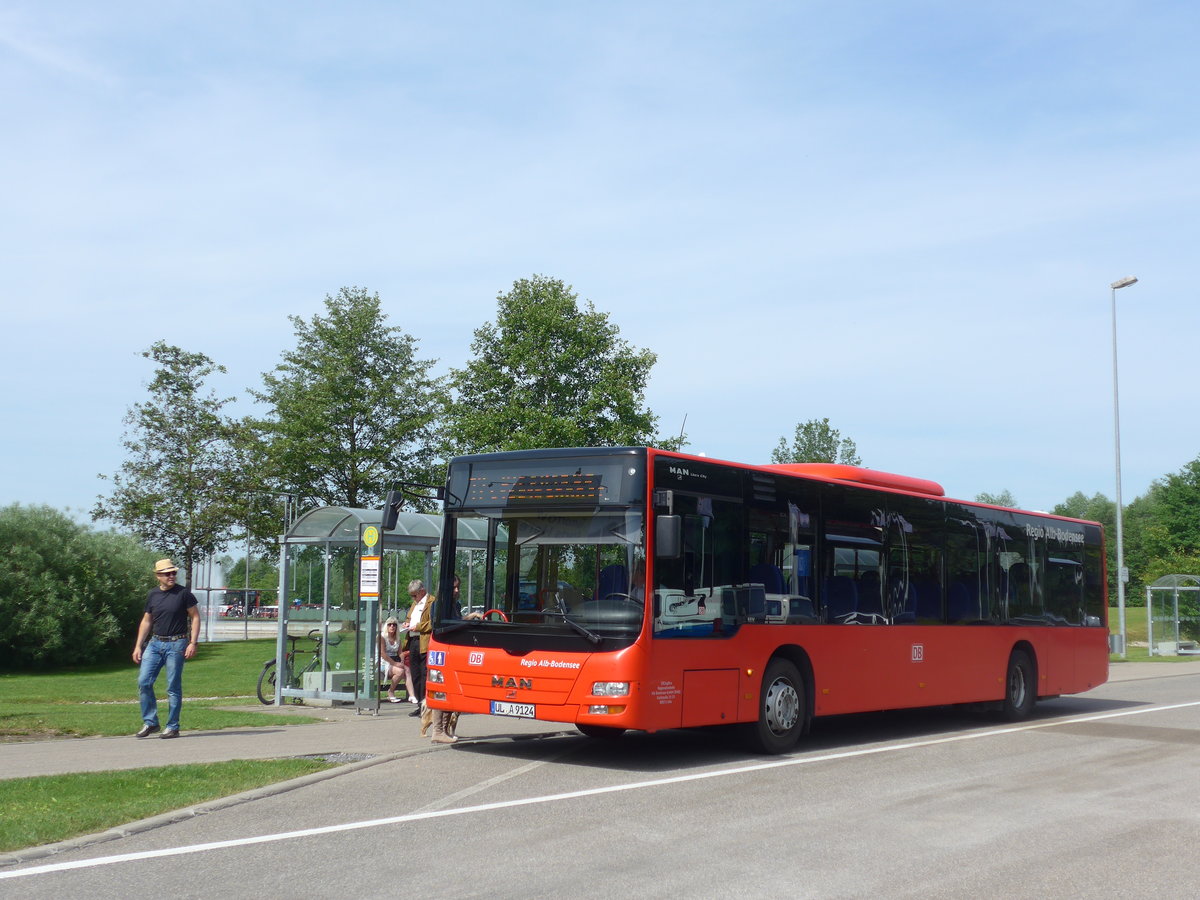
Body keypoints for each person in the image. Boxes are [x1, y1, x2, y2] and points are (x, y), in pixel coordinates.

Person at [133, 559, 200, 739]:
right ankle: (151, 722)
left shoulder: (183, 593)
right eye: (167, 573)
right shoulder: (153, 594)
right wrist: (138, 646)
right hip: (155, 643)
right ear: (158, 576)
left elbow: (195, 617)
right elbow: (147, 621)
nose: (171, 576)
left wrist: (193, 642)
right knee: (144, 682)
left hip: (177, 643)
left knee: (173, 686)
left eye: (173, 573)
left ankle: (172, 726)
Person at [405, 579, 431, 718]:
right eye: (411, 596)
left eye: (415, 595)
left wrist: (419, 627)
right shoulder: (414, 604)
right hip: (413, 641)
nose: (413, 598)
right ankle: (419, 704)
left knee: (424, 673)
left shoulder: (431, 602)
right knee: (415, 674)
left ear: (422, 591)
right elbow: (409, 618)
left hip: (424, 641)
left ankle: (426, 706)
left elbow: (433, 622)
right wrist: (407, 623)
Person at [378, 616, 411, 703]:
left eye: (394, 624)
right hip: (382, 663)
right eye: (389, 624)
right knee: (400, 671)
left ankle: (412, 695)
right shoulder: (381, 637)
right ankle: (391, 692)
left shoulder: (397, 638)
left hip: (393, 662)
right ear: (386, 626)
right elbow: (382, 654)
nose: (392, 626)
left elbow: (400, 652)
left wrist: (402, 660)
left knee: (407, 669)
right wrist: (395, 664)